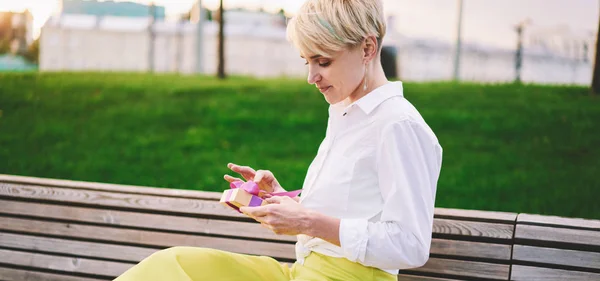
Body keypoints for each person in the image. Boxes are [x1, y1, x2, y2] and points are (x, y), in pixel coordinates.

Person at [114, 0, 442, 280]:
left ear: (367, 48)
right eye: (307, 62)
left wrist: (308, 221)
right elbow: (350, 211)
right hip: (302, 272)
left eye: (323, 62)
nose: (311, 77)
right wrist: (283, 200)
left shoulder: (398, 125)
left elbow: (410, 246)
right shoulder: (346, 115)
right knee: (172, 266)